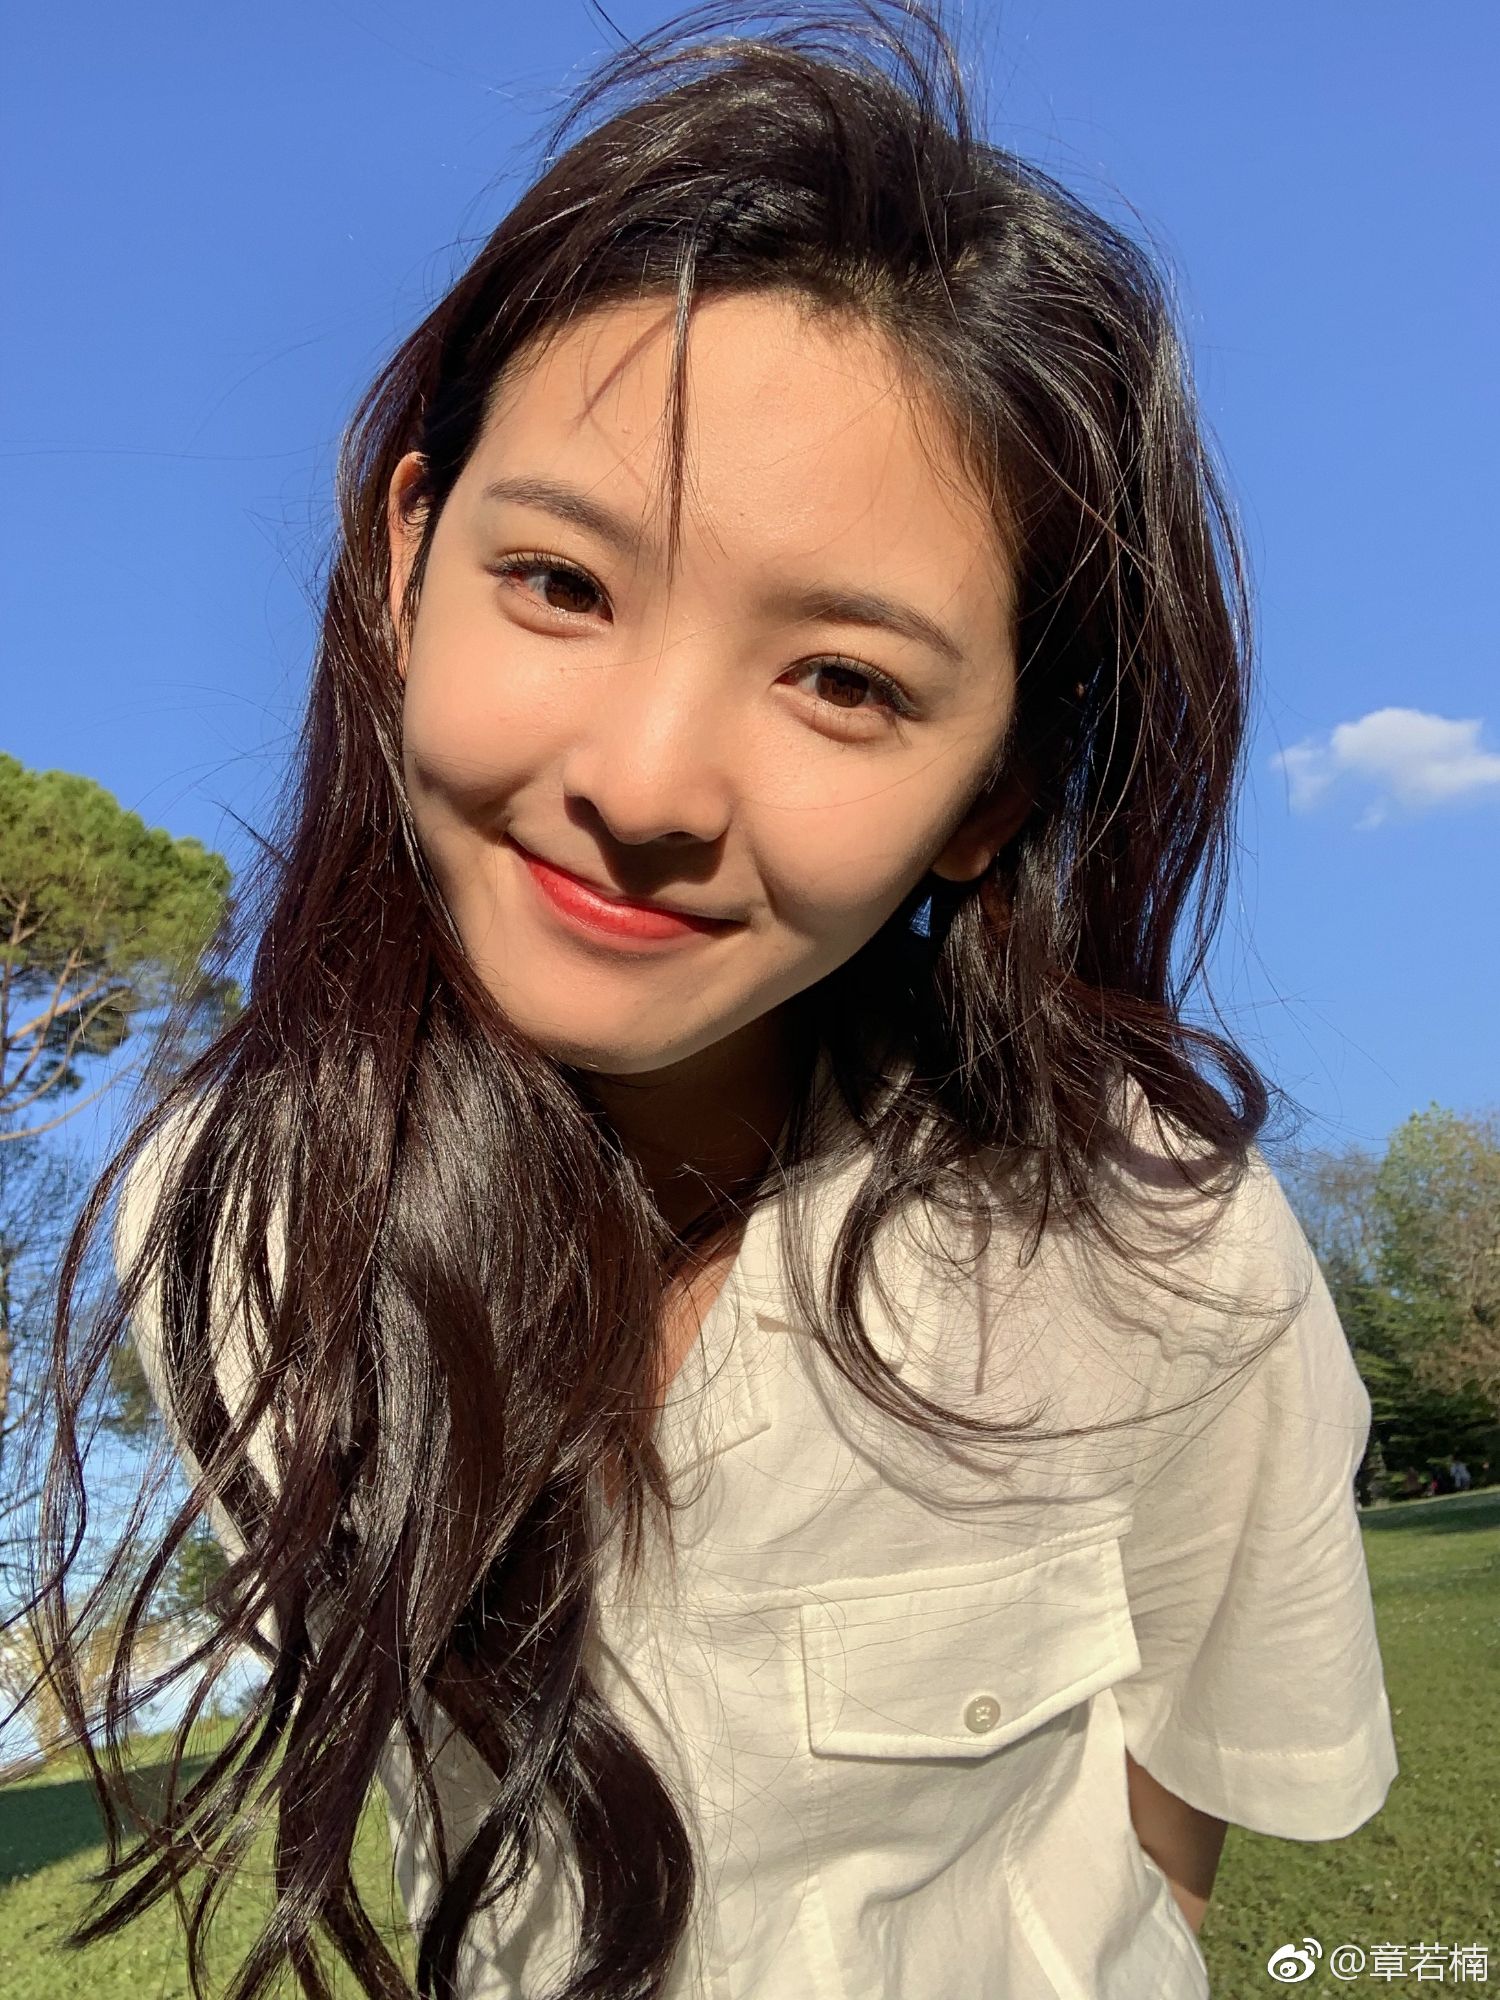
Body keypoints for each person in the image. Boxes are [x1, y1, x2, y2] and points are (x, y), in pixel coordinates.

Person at [22, 6, 1398, 1999]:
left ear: (991, 792)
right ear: (409, 560)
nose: (649, 783)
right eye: (563, 583)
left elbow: (1180, 1816)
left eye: (846, 680)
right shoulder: (222, 1227)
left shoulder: (1157, 1242)